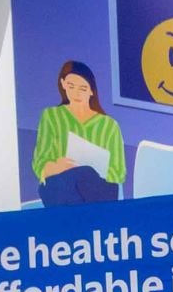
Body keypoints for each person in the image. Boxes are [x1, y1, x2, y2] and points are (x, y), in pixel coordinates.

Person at [32, 60, 127, 205]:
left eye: (82, 88)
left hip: (97, 189)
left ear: (91, 91)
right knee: (71, 181)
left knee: (86, 174)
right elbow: (40, 161)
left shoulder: (110, 125)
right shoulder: (51, 116)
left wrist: (91, 172)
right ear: (63, 84)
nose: (76, 93)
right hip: (60, 185)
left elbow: (118, 172)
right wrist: (56, 167)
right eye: (71, 86)